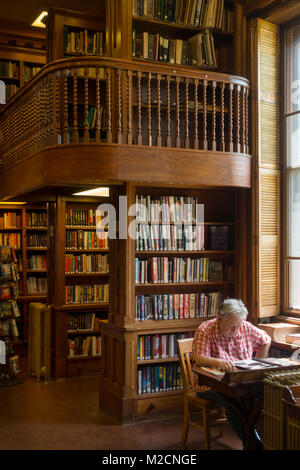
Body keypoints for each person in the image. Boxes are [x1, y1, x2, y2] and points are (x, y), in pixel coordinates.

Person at [192, 298, 271, 450]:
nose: (236, 331)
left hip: (241, 382)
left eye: (238, 325)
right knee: (234, 403)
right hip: (209, 384)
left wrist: (257, 363)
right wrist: (219, 362)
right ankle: (253, 445)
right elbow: (199, 358)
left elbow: (266, 340)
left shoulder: (245, 327)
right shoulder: (206, 329)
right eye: (232, 326)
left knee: (257, 400)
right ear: (220, 318)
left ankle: (253, 441)